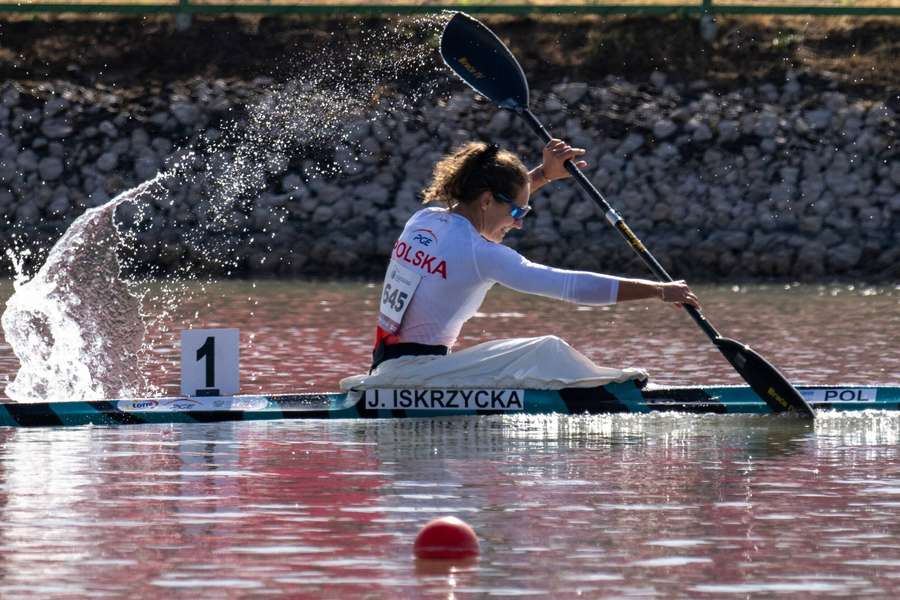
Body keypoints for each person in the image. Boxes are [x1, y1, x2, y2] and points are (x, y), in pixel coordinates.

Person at [371, 139, 700, 371]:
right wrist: (657, 290)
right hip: (417, 376)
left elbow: (485, 201)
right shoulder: (482, 254)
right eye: (518, 211)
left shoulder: (423, 219)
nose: (517, 223)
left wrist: (543, 174)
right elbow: (569, 287)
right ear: (486, 200)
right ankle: (619, 396)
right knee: (547, 350)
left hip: (387, 366)